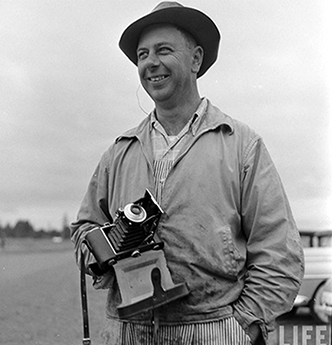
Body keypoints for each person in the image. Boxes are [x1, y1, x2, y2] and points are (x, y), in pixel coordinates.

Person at [70, 2, 303, 345]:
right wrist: (109, 248)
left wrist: (242, 326)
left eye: (163, 50)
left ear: (195, 59)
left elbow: (279, 252)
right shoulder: (119, 152)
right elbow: (83, 230)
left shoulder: (241, 145)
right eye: (142, 54)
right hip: (127, 331)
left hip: (215, 328)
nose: (150, 63)